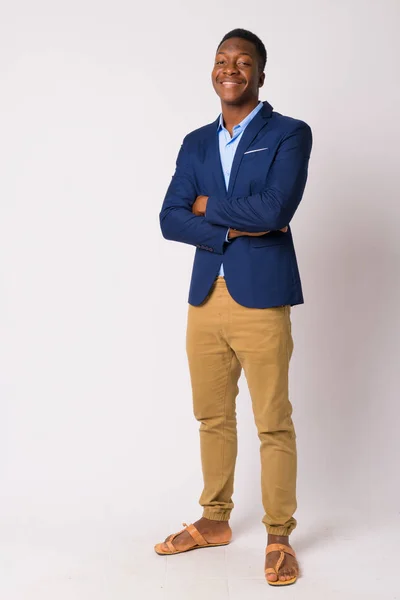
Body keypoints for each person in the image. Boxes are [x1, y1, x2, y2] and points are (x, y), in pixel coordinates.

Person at [154, 28, 312, 587]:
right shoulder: (195, 142)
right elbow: (170, 217)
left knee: (273, 421)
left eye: (244, 62)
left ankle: (278, 535)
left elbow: (275, 207)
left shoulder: (290, 133)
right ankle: (214, 520)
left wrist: (207, 208)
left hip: (262, 297)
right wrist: (229, 226)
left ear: (260, 75)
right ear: (213, 70)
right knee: (212, 417)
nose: (231, 69)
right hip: (205, 297)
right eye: (223, 60)